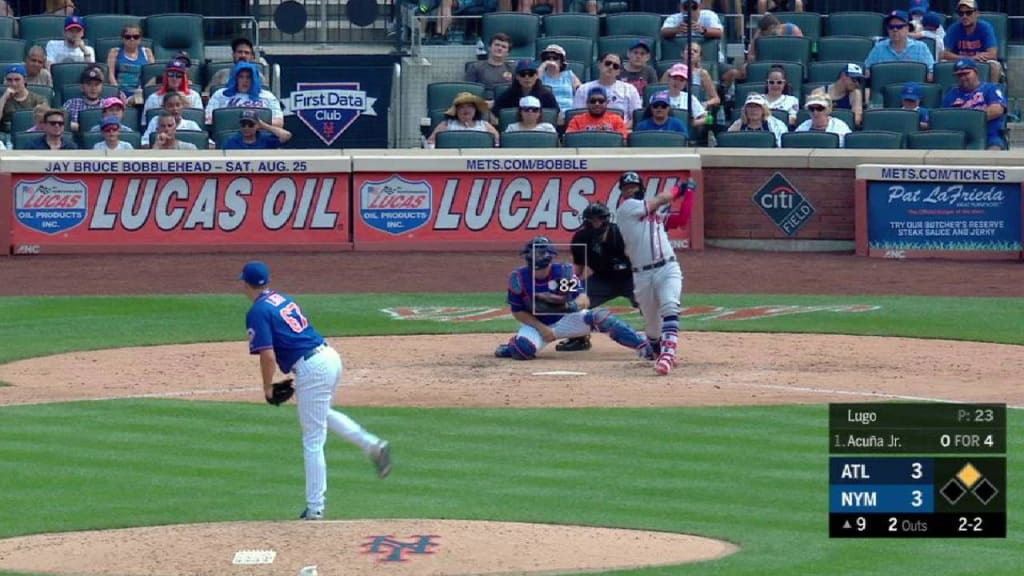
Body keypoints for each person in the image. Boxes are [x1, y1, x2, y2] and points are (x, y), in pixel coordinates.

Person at [239, 260, 392, 521]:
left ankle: (315, 508)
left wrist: (267, 388)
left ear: (245, 283)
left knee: (312, 439)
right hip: (329, 357)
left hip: (312, 368)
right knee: (321, 416)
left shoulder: (257, 311)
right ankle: (373, 445)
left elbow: (267, 356)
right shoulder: (280, 299)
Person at [494, 236, 649, 361]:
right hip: (538, 326)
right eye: (535, 253)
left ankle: (643, 345)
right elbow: (518, 311)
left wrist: (573, 305)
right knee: (523, 350)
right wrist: (542, 328)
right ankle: (510, 348)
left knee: (601, 317)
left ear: (549, 256)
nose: (538, 257)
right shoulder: (519, 278)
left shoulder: (562, 273)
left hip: (565, 319)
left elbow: (584, 299)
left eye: (541, 253)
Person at [615, 172, 695, 375]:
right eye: (626, 188)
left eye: (633, 186)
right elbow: (661, 199)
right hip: (642, 275)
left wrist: (691, 194)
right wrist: (678, 190)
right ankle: (655, 348)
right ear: (622, 193)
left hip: (667, 268)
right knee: (652, 328)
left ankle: (667, 355)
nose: (629, 190)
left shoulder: (656, 218)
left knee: (670, 304)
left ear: (639, 187)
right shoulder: (626, 210)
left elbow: (682, 219)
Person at [555, 202, 640, 353]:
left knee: (649, 303)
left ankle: (658, 339)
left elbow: (638, 259)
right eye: (592, 220)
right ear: (585, 221)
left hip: (630, 278)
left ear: (606, 219)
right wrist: (565, 288)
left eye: (599, 219)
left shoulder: (620, 233)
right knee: (572, 301)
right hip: (602, 280)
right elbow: (578, 267)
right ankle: (579, 339)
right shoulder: (581, 237)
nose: (596, 223)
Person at [941, 58, 1006, 150]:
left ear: (976, 72)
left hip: (988, 135)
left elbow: (997, 110)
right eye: (959, 75)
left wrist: (967, 120)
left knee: (994, 153)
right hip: (958, 137)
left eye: (966, 73)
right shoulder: (952, 93)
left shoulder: (991, 88)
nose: (963, 78)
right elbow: (943, 117)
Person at [864, 10, 935, 86]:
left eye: (899, 27)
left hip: (913, 94)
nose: (895, 30)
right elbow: (866, 69)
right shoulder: (879, 47)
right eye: (891, 27)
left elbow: (932, 71)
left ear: (908, 28)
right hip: (885, 93)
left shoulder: (921, 47)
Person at [206, 61, 285, 128]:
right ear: (235, 79)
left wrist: (255, 125)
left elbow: (279, 122)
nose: (245, 80)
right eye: (241, 77)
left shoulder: (267, 96)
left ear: (255, 79)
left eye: (249, 77)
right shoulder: (220, 94)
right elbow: (208, 119)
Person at [573, 53, 641, 129]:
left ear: (619, 71)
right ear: (599, 65)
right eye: (607, 63)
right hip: (589, 132)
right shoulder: (583, 89)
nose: (611, 67)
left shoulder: (630, 89)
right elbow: (577, 116)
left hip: (620, 134)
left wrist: (619, 130)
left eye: (615, 66)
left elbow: (635, 118)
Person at [942, 0, 1002, 84]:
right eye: (961, 13)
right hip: (960, 62)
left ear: (977, 13)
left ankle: (991, 92)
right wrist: (970, 58)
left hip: (980, 62)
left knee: (994, 65)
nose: (964, 16)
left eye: (969, 12)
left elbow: (992, 54)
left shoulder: (985, 27)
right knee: (942, 64)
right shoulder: (953, 28)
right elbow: (944, 54)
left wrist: (975, 59)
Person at [490, 60, 559, 123]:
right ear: (517, 77)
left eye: (531, 74)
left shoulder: (546, 95)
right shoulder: (508, 94)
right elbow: (494, 113)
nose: (527, 77)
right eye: (522, 74)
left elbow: (557, 116)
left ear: (536, 76)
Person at [658, 42, 720, 111]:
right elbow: (659, 93)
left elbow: (716, 99)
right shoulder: (670, 72)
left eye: (695, 51)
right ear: (682, 53)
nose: (691, 52)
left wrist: (705, 104)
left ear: (699, 57)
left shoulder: (703, 74)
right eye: (688, 50)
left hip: (694, 109)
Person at [425, 91, 500, 147]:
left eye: (470, 106)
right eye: (461, 107)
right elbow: (430, 143)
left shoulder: (485, 125)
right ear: (456, 110)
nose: (466, 109)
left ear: (475, 109)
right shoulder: (446, 125)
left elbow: (498, 143)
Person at [106, 24, 154, 103]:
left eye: (136, 37)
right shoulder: (114, 52)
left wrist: (141, 92)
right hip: (119, 92)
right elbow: (110, 74)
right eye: (128, 37)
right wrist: (117, 91)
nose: (132, 39)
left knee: (140, 101)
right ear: (123, 38)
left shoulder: (147, 52)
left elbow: (152, 76)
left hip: (140, 92)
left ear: (140, 39)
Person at [464, 33, 515, 102]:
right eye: (497, 45)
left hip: (505, 104)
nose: (500, 48)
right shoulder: (475, 67)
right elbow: (468, 91)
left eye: (504, 47)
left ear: (508, 53)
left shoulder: (513, 69)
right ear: (489, 48)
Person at [0, 64, 48, 136]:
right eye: (9, 80)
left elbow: (46, 122)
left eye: (17, 80)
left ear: (25, 80)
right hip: (7, 136)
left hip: (32, 135)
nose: (13, 84)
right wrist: (4, 98)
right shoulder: (2, 99)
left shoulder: (39, 99)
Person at [537, 44, 580, 117]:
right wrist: (543, 65)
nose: (551, 61)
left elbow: (580, 91)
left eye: (555, 58)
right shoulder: (541, 75)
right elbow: (533, 82)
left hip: (568, 112)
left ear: (561, 61)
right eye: (547, 58)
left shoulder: (569, 75)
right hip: (548, 113)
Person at [62, 64, 105, 132]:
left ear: (101, 87)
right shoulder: (71, 103)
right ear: (82, 87)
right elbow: (59, 120)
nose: (93, 88)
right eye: (89, 84)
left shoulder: (107, 105)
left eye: (96, 84)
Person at [222, 109, 293, 149]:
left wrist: (263, 125)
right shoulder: (232, 141)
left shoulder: (266, 139)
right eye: (243, 124)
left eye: (250, 125)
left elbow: (286, 135)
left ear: (257, 125)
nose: (246, 128)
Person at [826, 64, 864, 129]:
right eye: (854, 79)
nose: (857, 84)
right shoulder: (819, 92)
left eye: (859, 80)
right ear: (843, 76)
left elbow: (857, 120)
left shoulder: (855, 93)